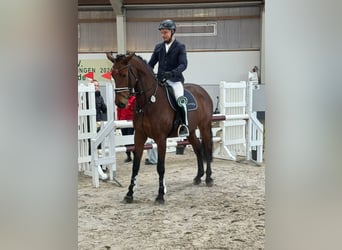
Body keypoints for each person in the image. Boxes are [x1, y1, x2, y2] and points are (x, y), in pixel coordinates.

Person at [148, 19, 189, 137]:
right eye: (162, 33)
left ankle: (184, 125)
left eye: (165, 32)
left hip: (175, 80)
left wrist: (172, 73)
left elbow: (183, 64)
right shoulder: (158, 47)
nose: (163, 35)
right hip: (160, 80)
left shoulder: (180, 46)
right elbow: (151, 64)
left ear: (172, 31)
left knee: (180, 100)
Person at [91, 79, 108, 180]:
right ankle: (96, 164)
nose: (96, 87)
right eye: (94, 85)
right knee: (94, 145)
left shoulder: (99, 97)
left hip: (99, 122)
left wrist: (103, 103)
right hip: (90, 123)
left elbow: (104, 109)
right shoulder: (87, 96)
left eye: (97, 85)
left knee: (100, 145)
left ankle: (101, 165)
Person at [117, 95, 136, 163]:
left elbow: (135, 110)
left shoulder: (133, 99)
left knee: (130, 139)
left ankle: (135, 155)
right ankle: (128, 156)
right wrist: (118, 121)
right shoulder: (122, 99)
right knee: (125, 139)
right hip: (122, 121)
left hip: (130, 122)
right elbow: (119, 110)